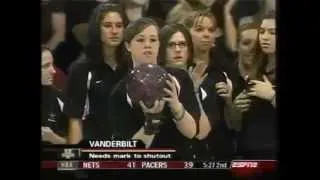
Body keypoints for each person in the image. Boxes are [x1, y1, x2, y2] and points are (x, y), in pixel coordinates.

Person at [108, 18, 200, 160]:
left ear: (159, 44)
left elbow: (192, 132)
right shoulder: (119, 92)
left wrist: (176, 106)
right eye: (140, 40)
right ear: (128, 45)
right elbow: (128, 153)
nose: (147, 45)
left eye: (153, 40)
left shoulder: (180, 78)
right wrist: (151, 122)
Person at [65, 3, 128, 144]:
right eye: (107, 25)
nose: (114, 31)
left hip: (128, 148)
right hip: (94, 149)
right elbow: (75, 121)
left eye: (119, 25)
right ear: (97, 29)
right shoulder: (80, 69)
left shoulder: (131, 66)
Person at [182, 11, 237, 160]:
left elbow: (235, 125)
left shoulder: (225, 69)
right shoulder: (180, 69)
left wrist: (229, 101)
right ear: (187, 33)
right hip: (188, 151)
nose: (206, 34)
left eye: (211, 30)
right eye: (199, 29)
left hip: (220, 151)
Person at [233, 11, 276, 159]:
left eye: (273, 32)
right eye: (262, 32)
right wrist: (236, 108)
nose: (265, 37)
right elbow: (238, 123)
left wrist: (272, 96)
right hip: (249, 150)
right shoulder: (256, 67)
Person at [41, 45, 67, 145]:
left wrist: (53, 138)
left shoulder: (59, 98)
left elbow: (76, 144)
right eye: (46, 66)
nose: (53, 71)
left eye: (52, 64)